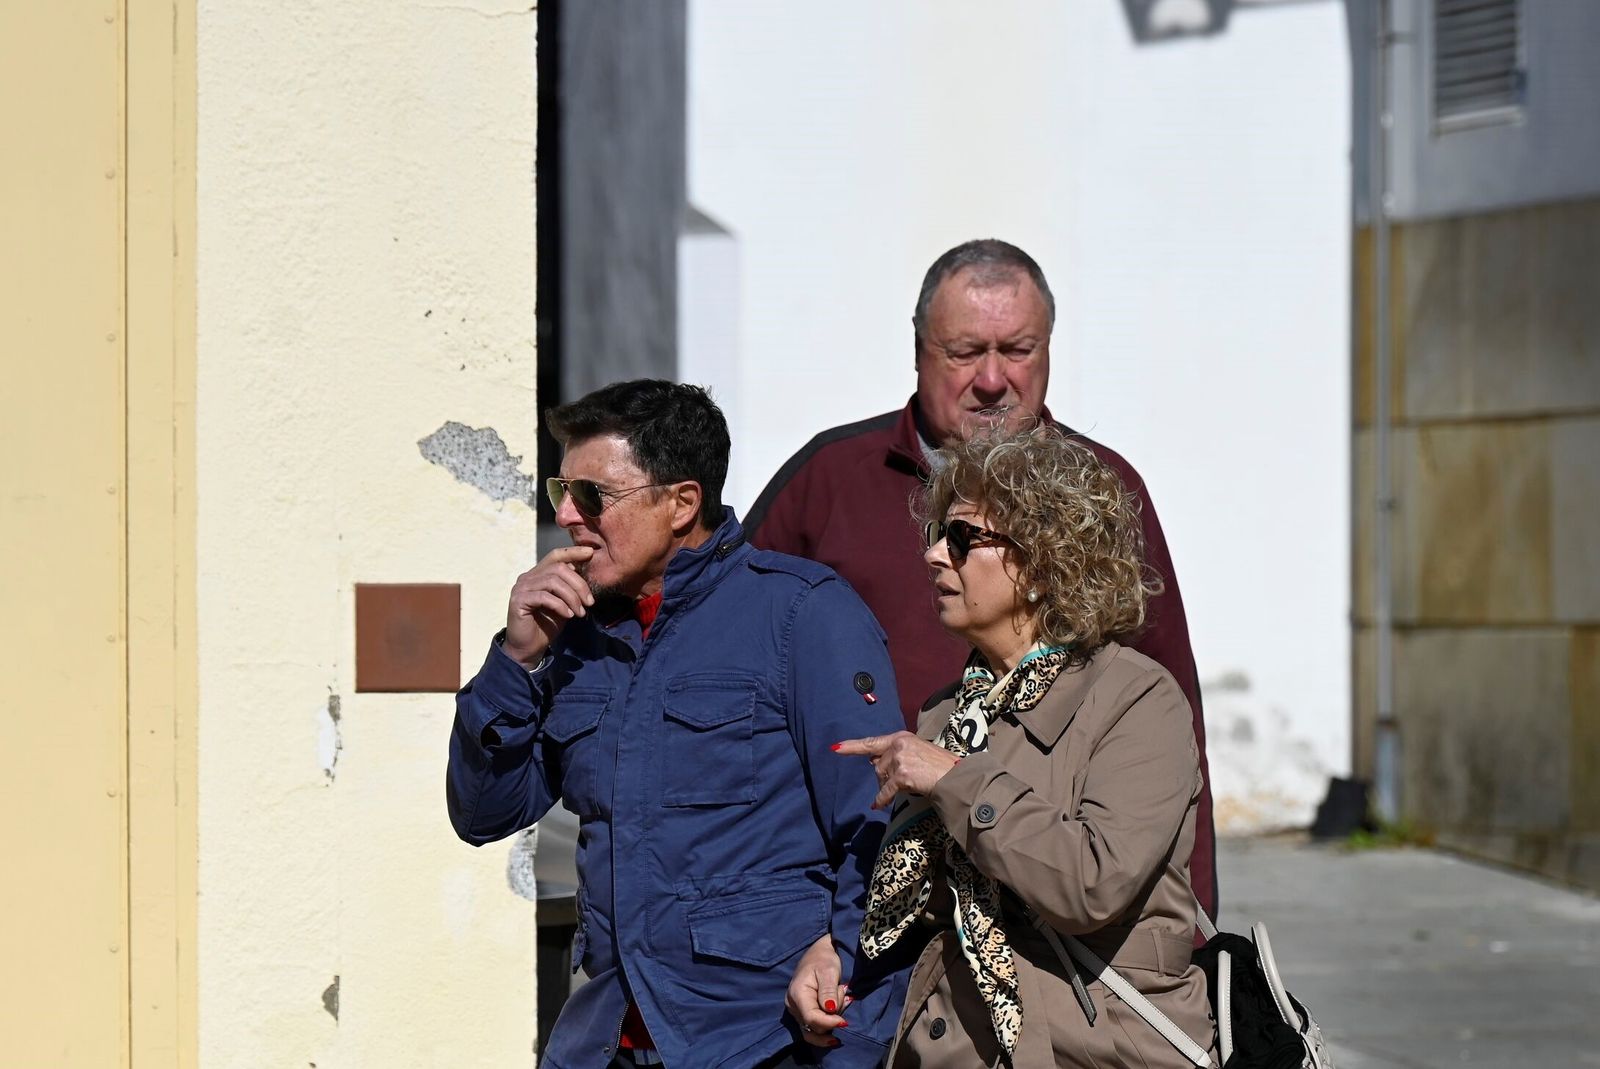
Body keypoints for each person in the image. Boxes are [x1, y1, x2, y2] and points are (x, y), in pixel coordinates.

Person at [745, 238, 1217, 915]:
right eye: (966, 353)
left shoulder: (1106, 492)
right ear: (918, 353)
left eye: (1018, 351)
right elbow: (733, 665)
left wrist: (1195, 927)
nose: (993, 379)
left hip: (1047, 901)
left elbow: (1172, 710)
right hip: (849, 894)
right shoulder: (831, 479)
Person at [447, 380, 907, 1069]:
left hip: (762, 1042)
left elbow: (881, 831)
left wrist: (851, 1024)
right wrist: (515, 661)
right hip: (608, 1042)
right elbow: (483, 813)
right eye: (559, 491)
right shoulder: (574, 639)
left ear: (682, 503)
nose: (569, 515)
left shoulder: (801, 614)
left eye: (594, 495)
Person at [821, 423, 1215, 1068]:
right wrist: (831, 955)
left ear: (1042, 561)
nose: (934, 556)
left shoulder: (1135, 697)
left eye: (964, 539)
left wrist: (954, 781)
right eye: (935, 536)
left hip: (1093, 1048)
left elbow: (1092, 885)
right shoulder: (949, 711)